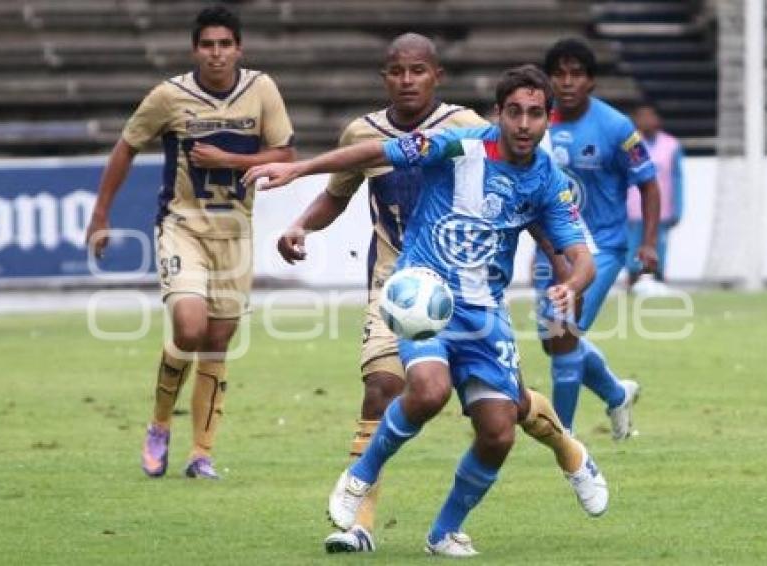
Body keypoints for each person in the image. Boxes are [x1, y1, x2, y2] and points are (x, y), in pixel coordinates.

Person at [245, 65, 606, 557]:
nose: (524, 124)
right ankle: (360, 476)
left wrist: (571, 283)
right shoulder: (458, 144)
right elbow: (376, 151)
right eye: (515, 112)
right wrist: (297, 169)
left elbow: (581, 256)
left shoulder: (547, 180)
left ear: (549, 120)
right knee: (426, 389)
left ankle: (445, 531)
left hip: (485, 313)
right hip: (423, 293)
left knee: (499, 430)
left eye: (535, 114)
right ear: (498, 113)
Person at [85, 6, 295, 479]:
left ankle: (201, 453)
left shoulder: (261, 90)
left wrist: (227, 159)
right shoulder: (169, 96)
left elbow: (285, 154)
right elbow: (127, 145)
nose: (216, 53)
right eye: (208, 45)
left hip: (236, 233)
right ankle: (160, 423)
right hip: (183, 227)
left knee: (217, 343)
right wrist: (101, 214)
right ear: (195, 49)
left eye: (225, 44)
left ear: (238, 48)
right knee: (189, 326)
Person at [534, 38, 660, 438]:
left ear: (590, 81)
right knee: (554, 340)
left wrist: (649, 243)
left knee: (563, 329)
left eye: (577, 74)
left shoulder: (616, 127)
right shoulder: (538, 123)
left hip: (602, 247)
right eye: (559, 74)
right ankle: (616, 392)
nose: (567, 82)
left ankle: (562, 436)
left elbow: (650, 184)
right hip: (553, 249)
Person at [626, 103, 684, 291]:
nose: (647, 121)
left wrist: (678, 207)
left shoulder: (671, 145)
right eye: (642, 117)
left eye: (650, 116)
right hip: (633, 207)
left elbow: (677, 178)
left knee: (659, 244)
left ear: (658, 120)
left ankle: (657, 278)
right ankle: (633, 278)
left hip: (662, 208)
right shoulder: (630, 144)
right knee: (633, 244)